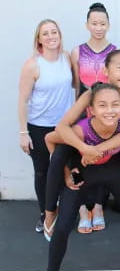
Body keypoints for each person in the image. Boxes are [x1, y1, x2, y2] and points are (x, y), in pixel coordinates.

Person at [26, 83, 120, 271]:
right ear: (92, 110)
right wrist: (67, 172)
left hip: (113, 170)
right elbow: (50, 139)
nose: (110, 110)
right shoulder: (81, 129)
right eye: (103, 105)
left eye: (115, 105)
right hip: (83, 172)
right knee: (63, 225)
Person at [43, 50, 120, 237]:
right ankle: (50, 213)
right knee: (58, 157)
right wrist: (84, 148)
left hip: (113, 142)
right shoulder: (92, 93)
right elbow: (60, 128)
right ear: (106, 71)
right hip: (84, 140)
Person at [18, 19, 75, 233]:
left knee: (65, 169)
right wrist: (24, 133)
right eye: (45, 33)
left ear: (59, 35)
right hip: (39, 127)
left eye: (54, 32)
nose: (51, 36)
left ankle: (65, 212)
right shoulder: (32, 65)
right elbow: (22, 100)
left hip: (64, 127)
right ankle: (46, 213)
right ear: (39, 39)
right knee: (43, 172)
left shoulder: (67, 58)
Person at [71, 2, 116, 96]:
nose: (98, 28)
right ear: (87, 25)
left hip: (107, 101)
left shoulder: (115, 52)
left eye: (103, 24)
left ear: (108, 25)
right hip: (84, 101)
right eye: (94, 24)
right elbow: (77, 86)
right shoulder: (77, 52)